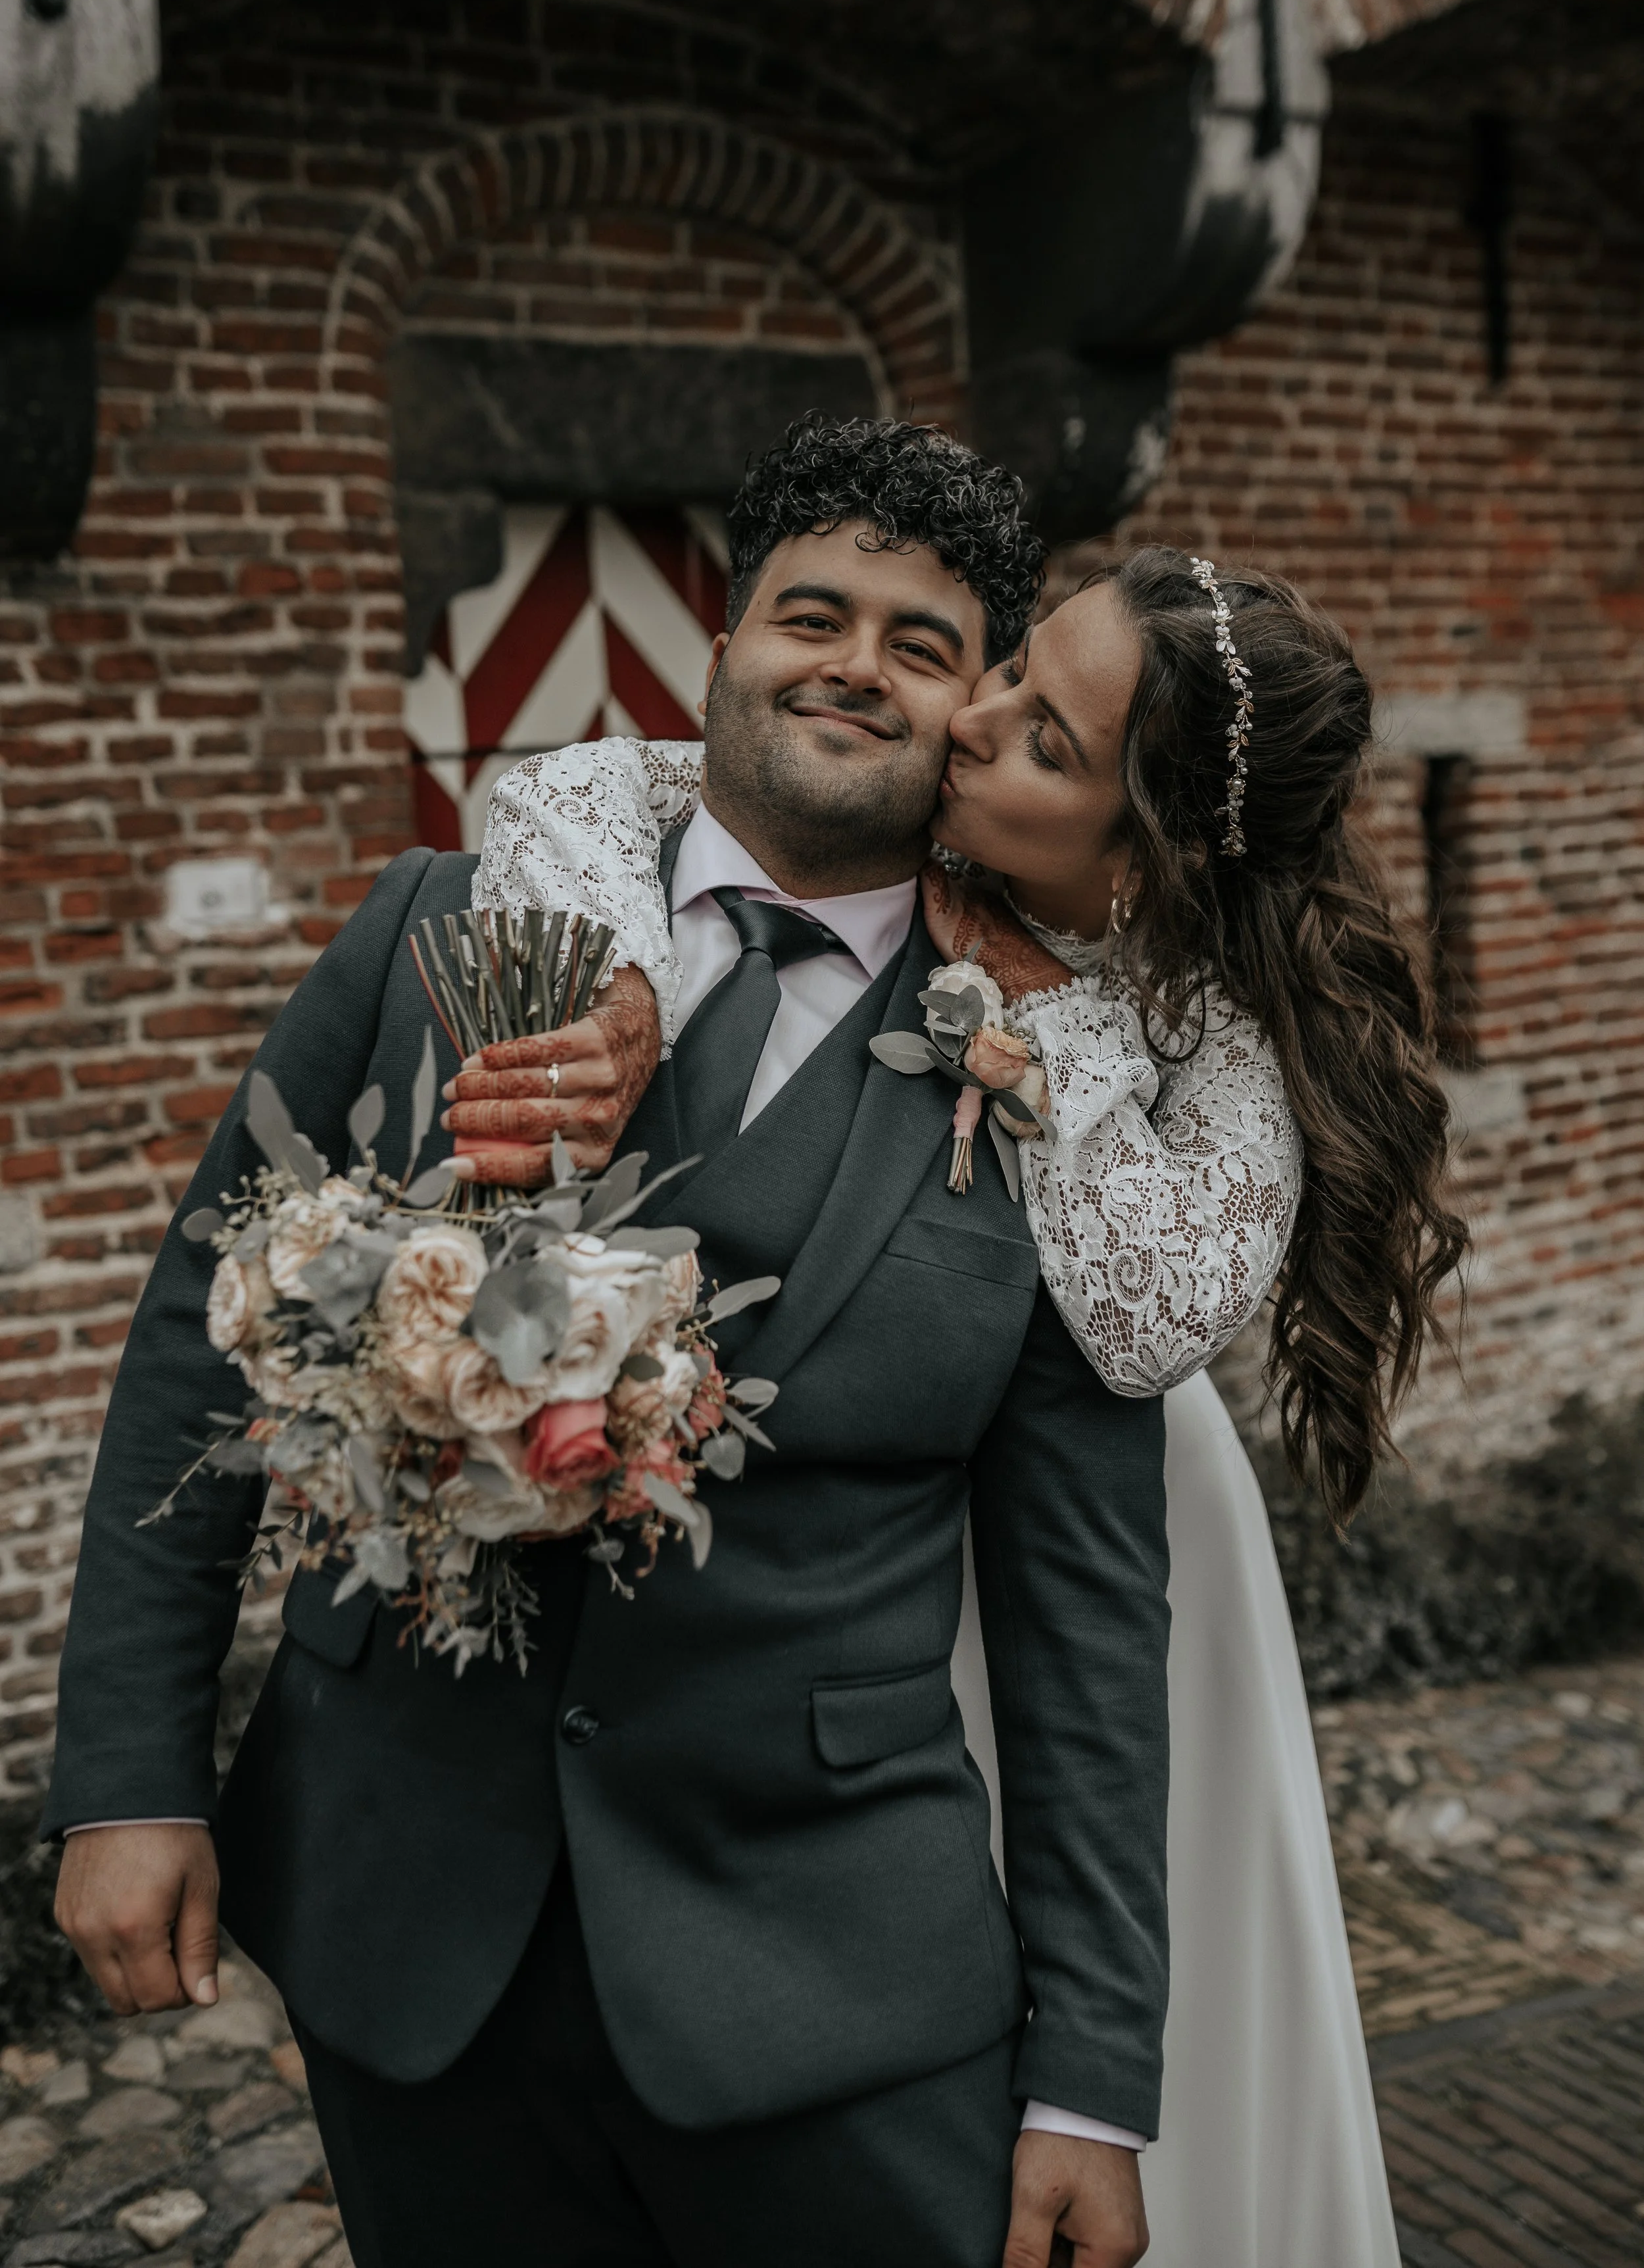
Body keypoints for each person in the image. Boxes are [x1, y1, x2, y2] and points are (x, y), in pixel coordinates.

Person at [47, 416, 1170, 2268]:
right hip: (406, 1927)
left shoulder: (1057, 1089)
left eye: (919, 642)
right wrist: (130, 1771)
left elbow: (1088, 1611)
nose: (854, 665)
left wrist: (1092, 2079)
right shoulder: (434, 931)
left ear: (975, 711)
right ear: (720, 645)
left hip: (833, 1977)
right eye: (814, 611)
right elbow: (195, 1340)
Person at [458, 446, 1466, 2268]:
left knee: (1053, 1923)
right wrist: (608, 990)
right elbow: (572, 790)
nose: (972, 717)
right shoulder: (888, 812)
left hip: (1102, 1502)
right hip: (865, 1566)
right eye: (1013, 669)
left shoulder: (1204, 1037)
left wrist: (1032, 1013)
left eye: (1039, 738)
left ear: (1140, 852)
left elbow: (1148, 1317)